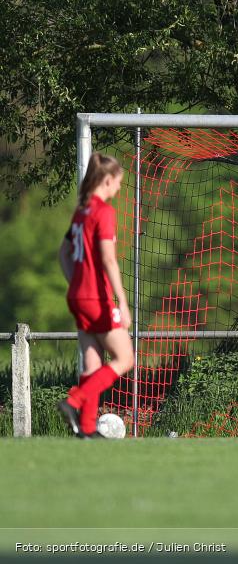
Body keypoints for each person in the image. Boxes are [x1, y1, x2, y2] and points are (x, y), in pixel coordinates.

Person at [56, 153, 135, 438]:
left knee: (92, 363)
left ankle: (87, 429)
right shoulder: (103, 211)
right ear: (107, 179)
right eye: (118, 183)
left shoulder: (81, 212)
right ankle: (74, 401)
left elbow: (63, 253)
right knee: (126, 358)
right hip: (95, 298)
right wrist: (123, 303)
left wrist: (74, 282)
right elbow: (108, 260)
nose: (119, 189)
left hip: (77, 296)